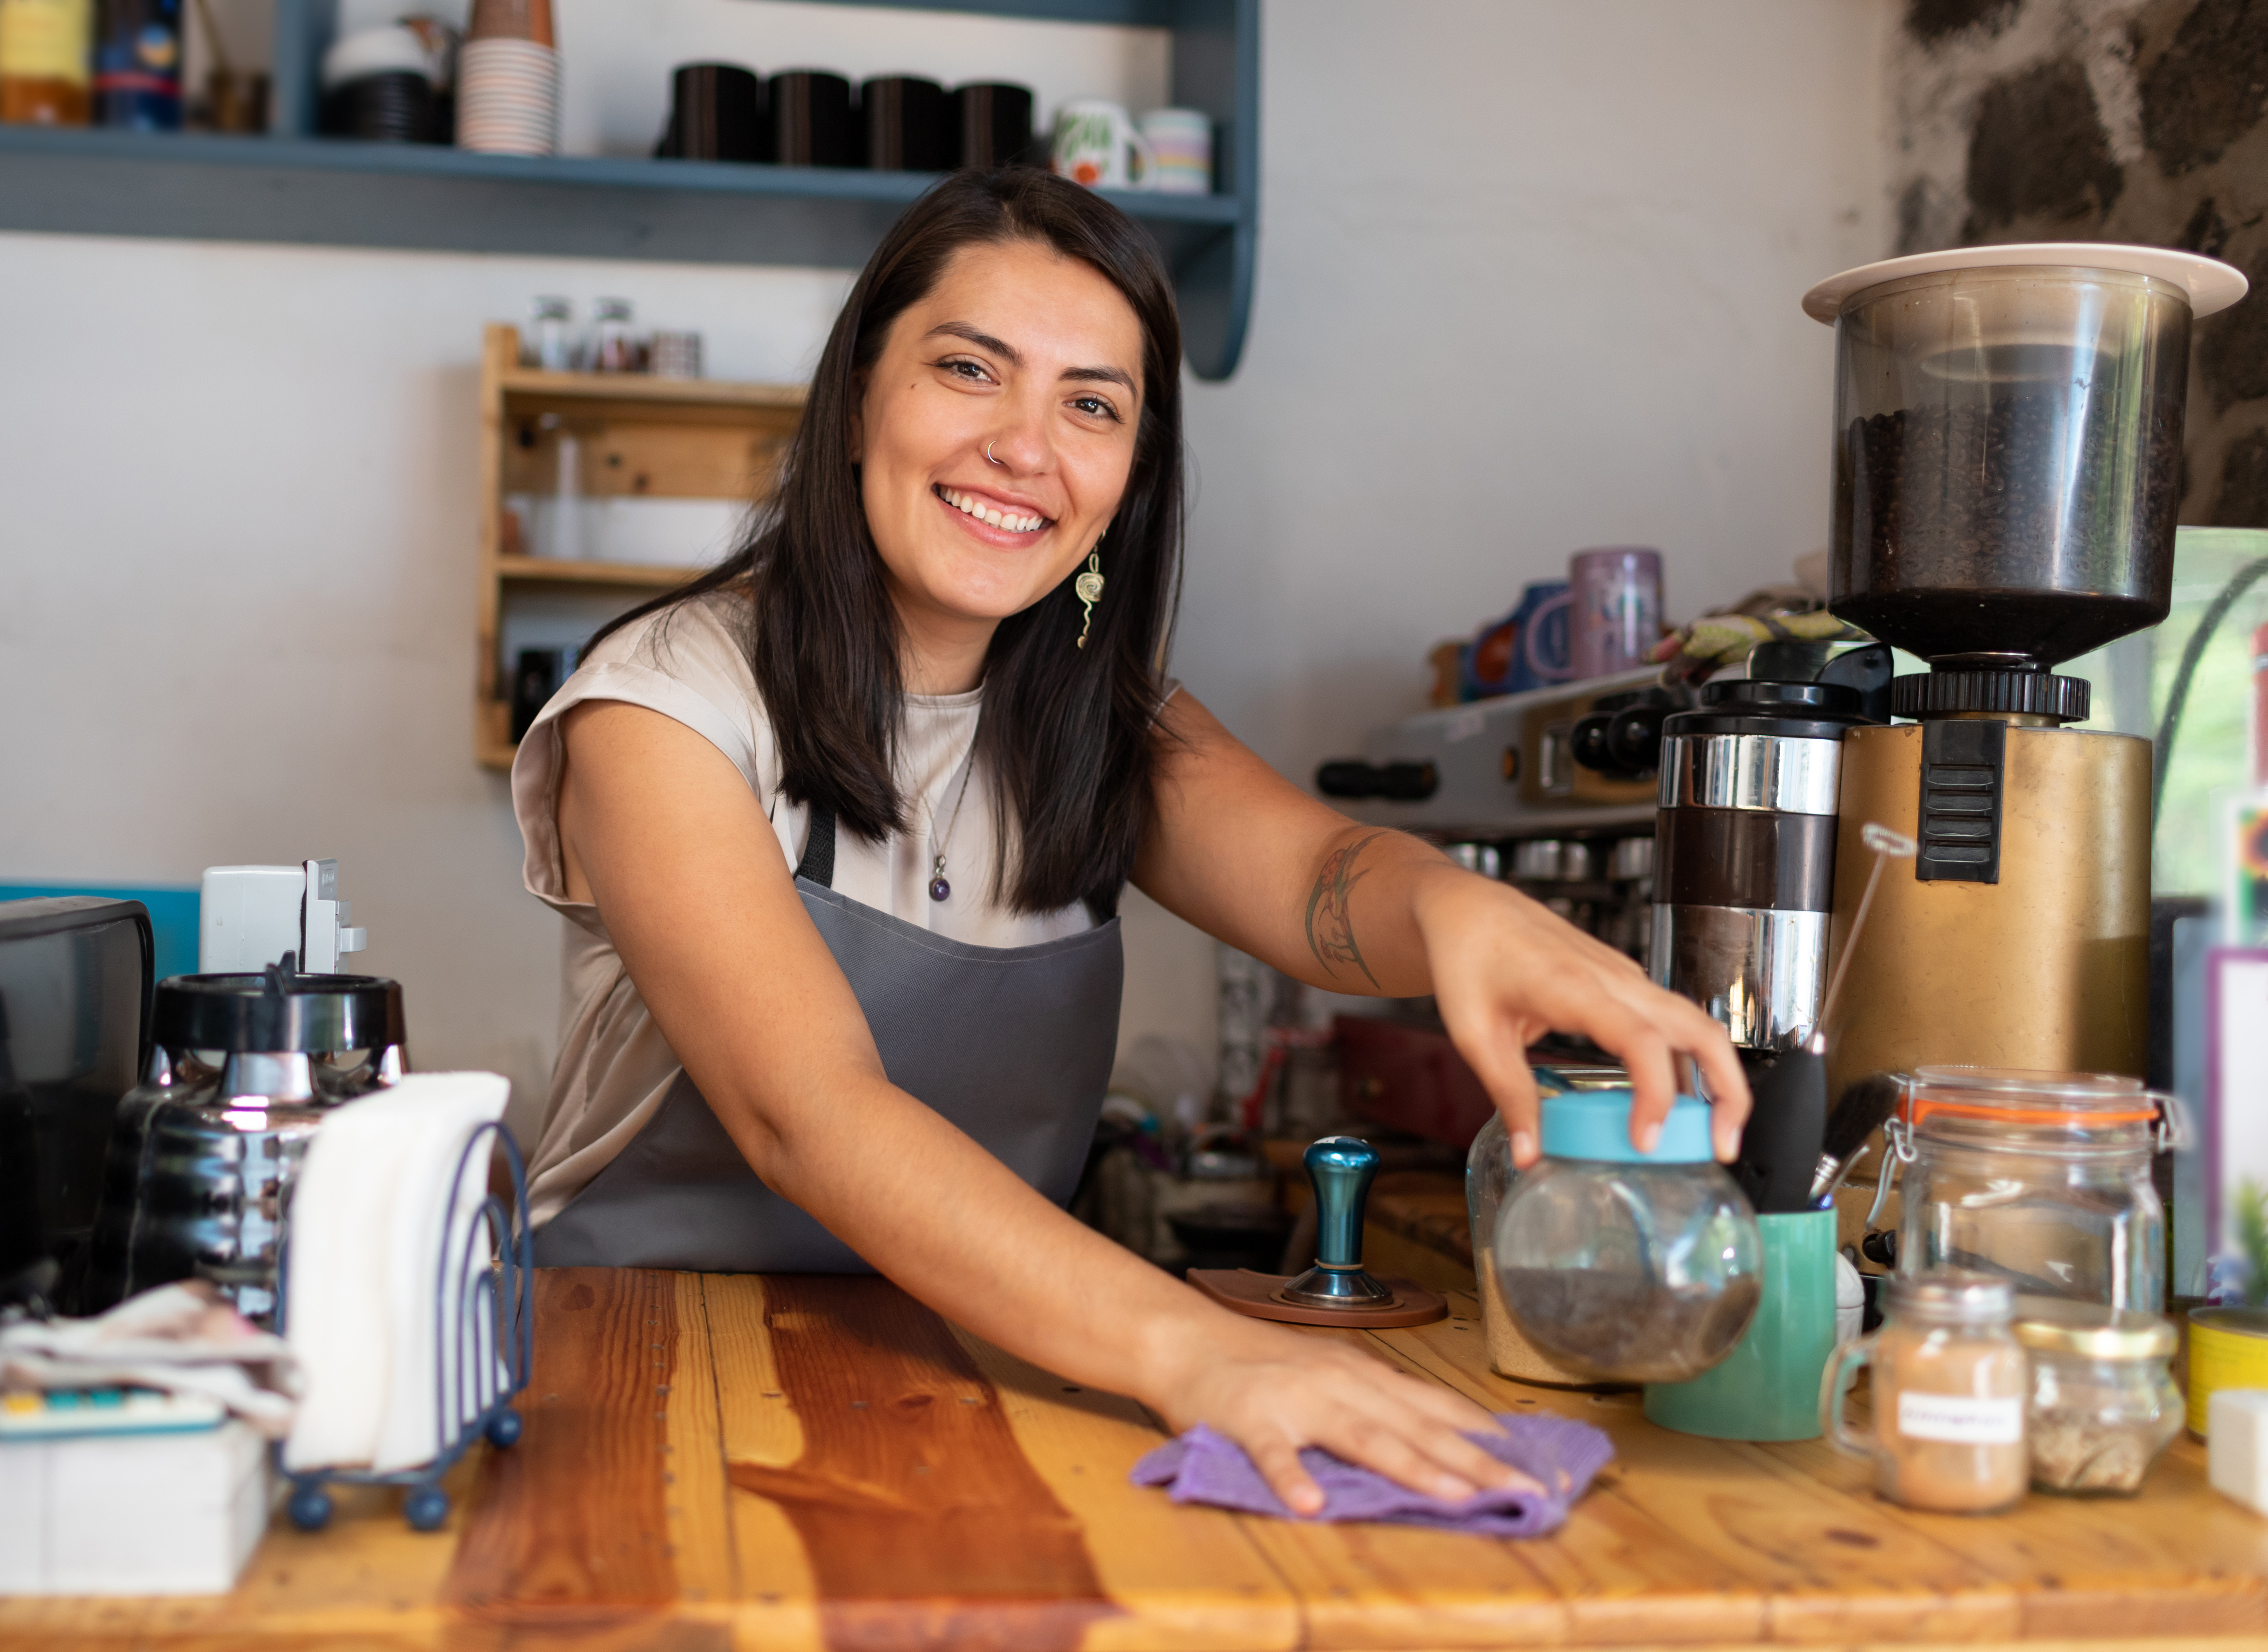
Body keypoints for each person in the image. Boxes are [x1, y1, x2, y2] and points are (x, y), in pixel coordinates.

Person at [512, 168, 1747, 1512]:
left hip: (987, 1357)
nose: (1025, 446)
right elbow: (808, 1115)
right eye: (970, 370)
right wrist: (1204, 1352)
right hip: (634, 1361)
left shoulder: (1105, 718)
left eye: (1089, 405)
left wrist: (1458, 909)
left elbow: (1319, 879)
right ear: (861, 394)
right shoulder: (663, 704)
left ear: (1126, 480)